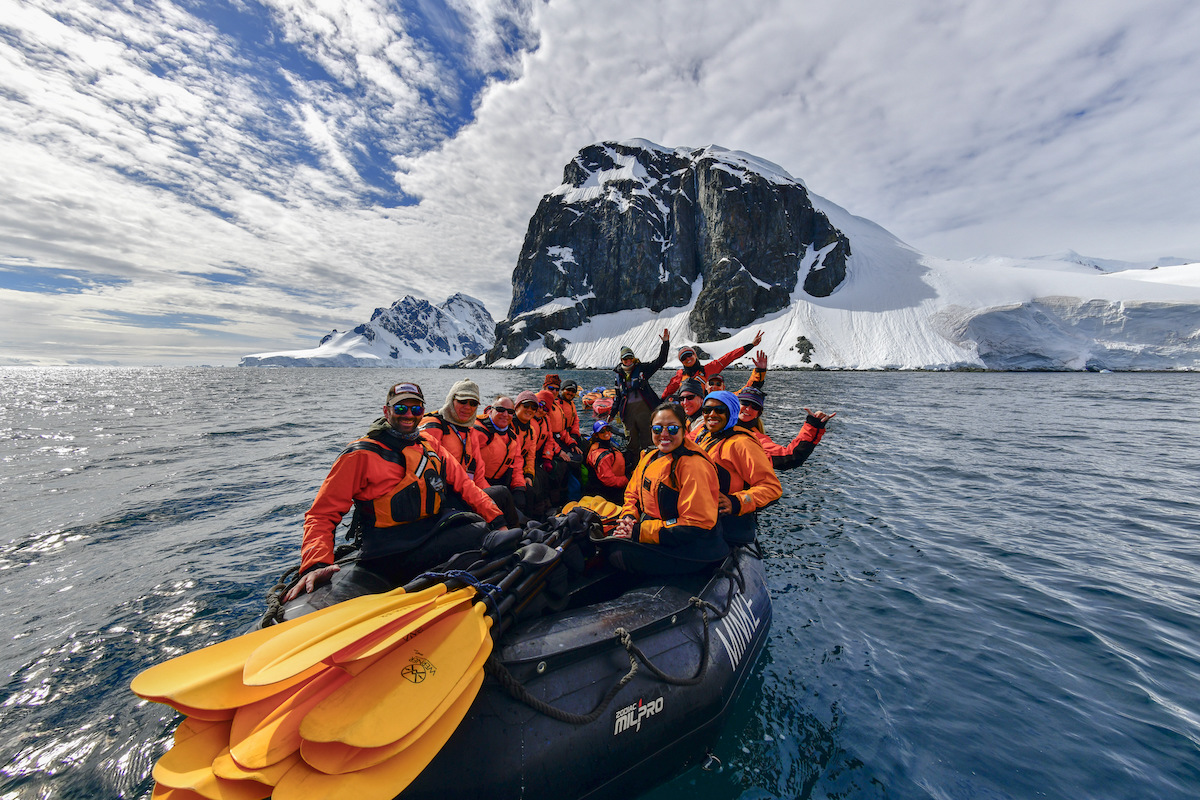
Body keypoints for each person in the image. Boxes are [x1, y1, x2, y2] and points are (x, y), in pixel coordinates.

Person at [285, 381, 503, 603]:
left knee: (481, 529)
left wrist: (497, 519)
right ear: (386, 410)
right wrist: (316, 563)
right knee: (478, 535)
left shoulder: (428, 444)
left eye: (415, 409)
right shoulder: (360, 455)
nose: (408, 415)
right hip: (387, 551)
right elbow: (322, 514)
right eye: (400, 408)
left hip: (426, 534)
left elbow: (466, 486)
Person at [604, 402, 728, 574]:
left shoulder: (693, 467)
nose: (664, 434)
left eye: (672, 429)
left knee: (617, 554)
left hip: (693, 546)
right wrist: (628, 518)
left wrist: (639, 531)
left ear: (684, 429)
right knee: (607, 542)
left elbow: (696, 524)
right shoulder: (649, 457)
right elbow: (632, 494)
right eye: (657, 429)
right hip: (662, 531)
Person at [694, 390, 782, 545]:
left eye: (720, 410)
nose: (712, 414)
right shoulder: (705, 436)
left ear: (731, 412)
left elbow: (772, 488)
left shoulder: (742, 444)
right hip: (704, 520)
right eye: (707, 410)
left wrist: (736, 502)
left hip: (727, 528)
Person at [736, 387, 836, 471]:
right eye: (745, 402)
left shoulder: (754, 439)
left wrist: (814, 425)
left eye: (755, 406)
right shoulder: (726, 424)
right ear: (735, 404)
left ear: (758, 413)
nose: (748, 409)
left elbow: (791, 457)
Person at [612, 329, 671, 467]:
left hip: (645, 412)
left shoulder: (643, 369)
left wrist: (665, 343)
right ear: (621, 360)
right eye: (625, 359)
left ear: (633, 358)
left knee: (648, 440)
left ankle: (649, 466)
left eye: (630, 358)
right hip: (628, 413)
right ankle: (634, 468)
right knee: (631, 442)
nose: (628, 361)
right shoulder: (618, 375)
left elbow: (660, 361)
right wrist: (612, 414)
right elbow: (618, 397)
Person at [472, 395, 529, 526]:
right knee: (502, 496)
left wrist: (519, 487)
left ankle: (527, 524)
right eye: (500, 410)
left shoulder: (512, 437)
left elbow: (517, 464)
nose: (505, 415)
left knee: (527, 492)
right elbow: (472, 468)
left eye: (510, 412)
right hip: (478, 484)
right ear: (491, 410)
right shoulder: (477, 431)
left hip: (499, 480)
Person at [660, 330, 764, 400]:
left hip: (705, 407)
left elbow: (729, 357)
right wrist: (661, 402)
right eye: (683, 358)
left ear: (695, 355)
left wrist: (751, 345)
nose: (688, 359)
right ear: (681, 362)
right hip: (687, 408)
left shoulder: (709, 369)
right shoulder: (680, 375)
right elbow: (668, 391)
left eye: (689, 355)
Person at [419, 380, 486, 483]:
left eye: (473, 403)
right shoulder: (433, 426)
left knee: (500, 491)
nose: (467, 407)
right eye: (462, 401)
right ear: (451, 400)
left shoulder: (470, 431)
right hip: (437, 487)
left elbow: (479, 474)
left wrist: (483, 493)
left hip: (463, 486)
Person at [583, 419, 627, 504]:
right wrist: (626, 480)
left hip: (610, 484)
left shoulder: (599, 446)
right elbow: (608, 480)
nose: (606, 432)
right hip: (606, 492)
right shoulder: (602, 456)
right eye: (602, 431)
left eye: (608, 429)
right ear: (596, 435)